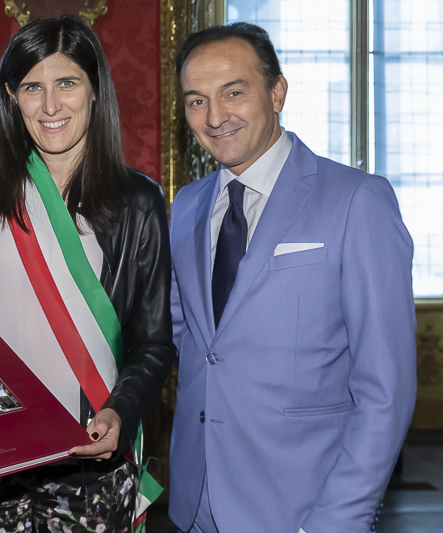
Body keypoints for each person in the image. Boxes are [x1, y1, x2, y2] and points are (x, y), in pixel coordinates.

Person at [0, 16, 175, 532]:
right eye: (33, 87)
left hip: (86, 451)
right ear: (12, 96)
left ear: (95, 89)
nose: (51, 105)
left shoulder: (138, 201)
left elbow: (153, 343)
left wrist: (120, 415)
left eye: (67, 83)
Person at [167, 23, 416, 533]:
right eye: (196, 101)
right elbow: (192, 341)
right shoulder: (188, 206)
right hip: (197, 505)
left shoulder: (356, 200)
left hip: (304, 509)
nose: (215, 117)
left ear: (276, 91)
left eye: (234, 92)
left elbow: (385, 389)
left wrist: (337, 519)